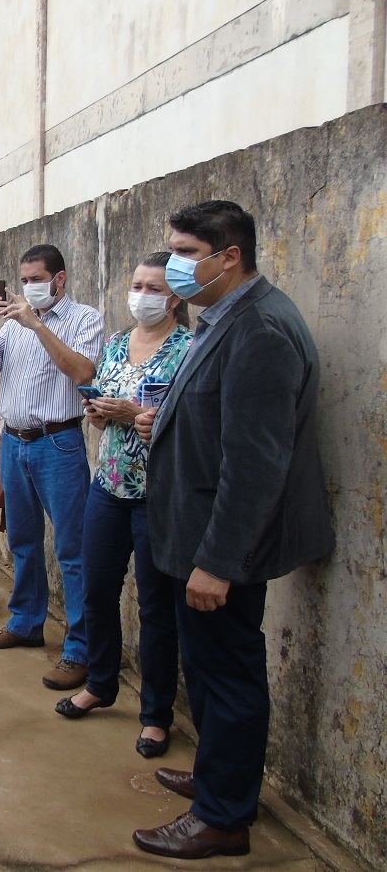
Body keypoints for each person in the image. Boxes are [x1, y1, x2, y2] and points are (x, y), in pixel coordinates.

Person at [129, 201, 334, 860]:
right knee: (213, 669)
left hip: (222, 544)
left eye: (186, 252)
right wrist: (164, 428)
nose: (175, 265)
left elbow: (256, 464)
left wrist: (218, 561)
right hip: (198, 531)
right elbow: (219, 421)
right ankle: (219, 777)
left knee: (230, 674)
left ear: (229, 257)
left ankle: (223, 817)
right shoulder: (229, 317)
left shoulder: (261, 330)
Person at [53, 252, 191, 762]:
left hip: (159, 496)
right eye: (137, 285)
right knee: (98, 591)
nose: (142, 296)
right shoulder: (115, 343)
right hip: (109, 485)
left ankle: (156, 715)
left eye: (153, 288)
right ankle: (101, 683)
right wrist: (100, 412)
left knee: (156, 609)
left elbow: (188, 425)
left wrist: (135, 412)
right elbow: (101, 410)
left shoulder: (188, 349)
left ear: (174, 297)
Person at [0, 244, 104, 691]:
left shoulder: (84, 319)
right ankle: (26, 622)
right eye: (23, 279)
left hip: (59, 443)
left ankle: (80, 649)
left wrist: (36, 325)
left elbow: (84, 372)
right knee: (24, 540)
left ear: (60, 279)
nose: (29, 287)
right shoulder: (10, 327)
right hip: (13, 441)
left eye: (37, 278)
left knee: (73, 551)